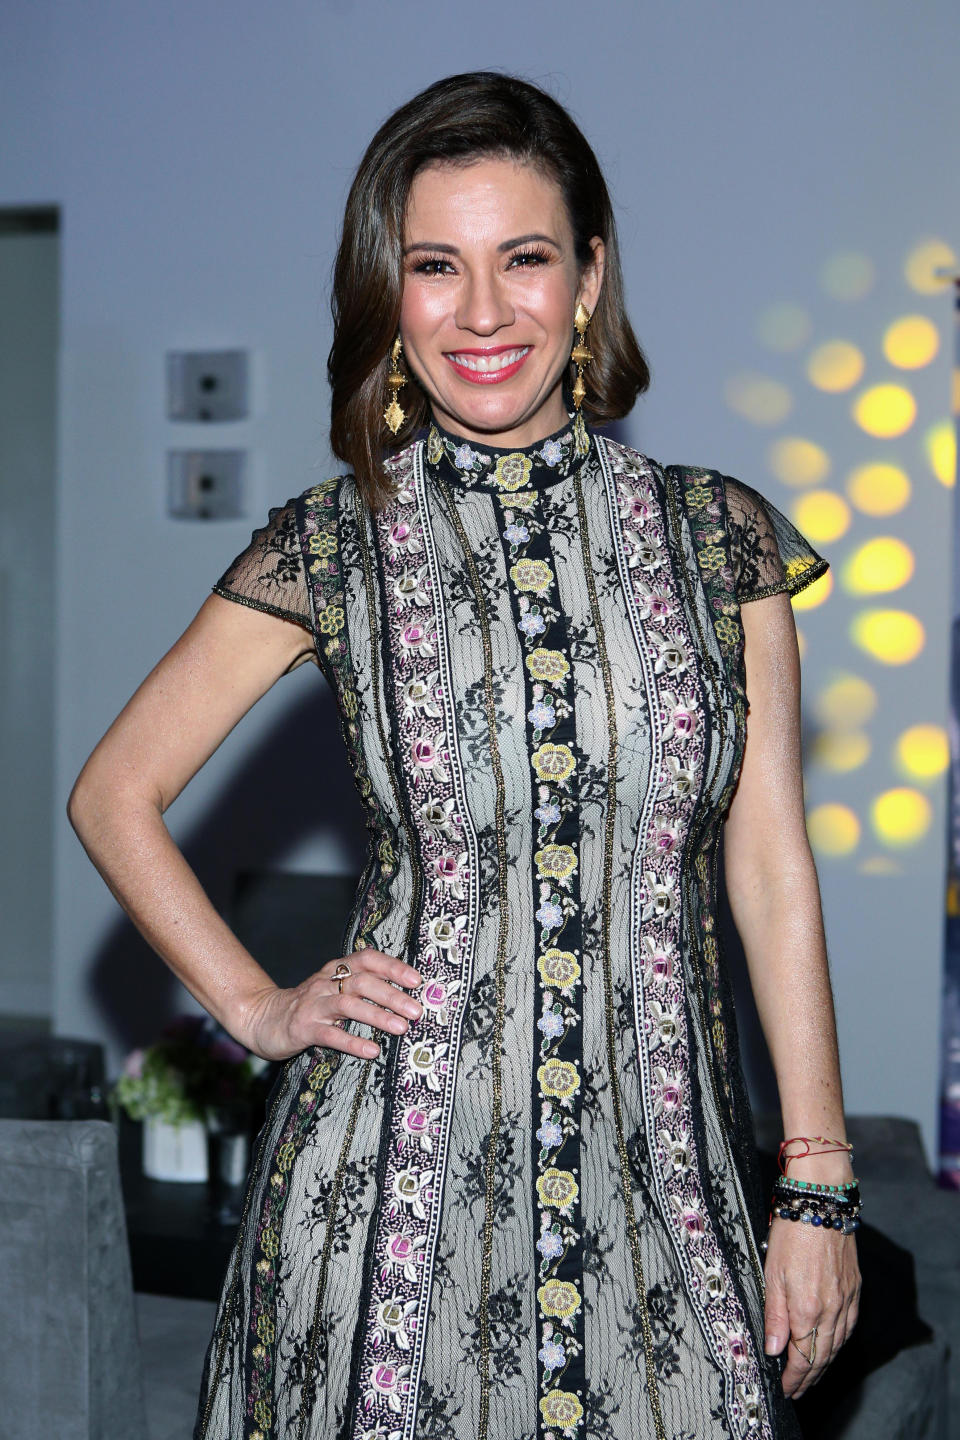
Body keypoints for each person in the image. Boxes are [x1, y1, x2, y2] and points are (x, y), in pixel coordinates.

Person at [68, 70, 861, 1440]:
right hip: (386, 1203)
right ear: (392, 292)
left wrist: (819, 1184)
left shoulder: (720, 539)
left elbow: (770, 861)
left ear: (591, 277)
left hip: (665, 1193)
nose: (483, 313)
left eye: (525, 260)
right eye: (436, 266)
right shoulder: (332, 549)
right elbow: (114, 793)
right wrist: (257, 1009)